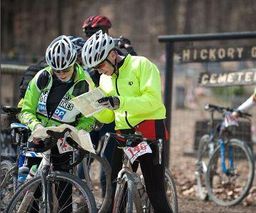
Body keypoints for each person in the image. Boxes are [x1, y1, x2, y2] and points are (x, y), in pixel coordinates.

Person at [81, 30, 173, 213]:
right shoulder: (105, 78)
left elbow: (153, 101)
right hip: (123, 133)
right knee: (113, 191)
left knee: (156, 194)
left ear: (113, 55)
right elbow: (109, 116)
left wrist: (120, 102)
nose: (99, 71)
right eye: (95, 68)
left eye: (100, 65)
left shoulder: (142, 65)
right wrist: (93, 109)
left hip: (150, 131)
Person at [19, 35, 95, 212]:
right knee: (33, 193)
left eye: (65, 70)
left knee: (64, 193)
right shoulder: (42, 77)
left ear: (74, 62)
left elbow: (90, 117)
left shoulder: (85, 83)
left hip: (64, 138)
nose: (61, 74)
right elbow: (26, 110)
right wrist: (36, 127)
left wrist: (76, 131)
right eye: (57, 70)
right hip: (39, 135)